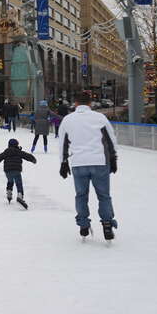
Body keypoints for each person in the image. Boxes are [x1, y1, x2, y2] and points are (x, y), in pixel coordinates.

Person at [58, 91, 119, 241]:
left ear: (75, 103)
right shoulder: (100, 118)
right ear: (90, 103)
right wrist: (113, 158)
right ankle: (107, 224)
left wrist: (63, 162)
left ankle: (83, 225)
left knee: (81, 196)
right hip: (99, 162)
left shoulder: (67, 120)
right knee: (104, 196)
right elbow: (111, 139)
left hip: (78, 163)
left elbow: (62, 143)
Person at [0, 138, 37, 209]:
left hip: (7, 171)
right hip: (16, 170)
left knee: (10, 181)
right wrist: (33, 159)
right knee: (19, 183)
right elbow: (26, 156)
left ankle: (9, 192)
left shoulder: (6, 152)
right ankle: (20, 196)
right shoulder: (18, 151)